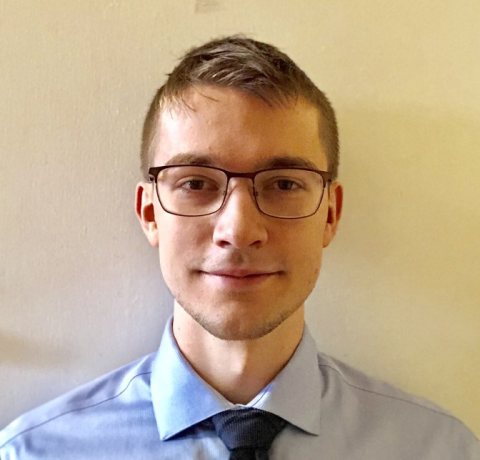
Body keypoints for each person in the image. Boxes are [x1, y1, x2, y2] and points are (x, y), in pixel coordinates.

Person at [0, 36, 478, 460]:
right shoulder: (36, 452)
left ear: (329, 214)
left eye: (285, 184)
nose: (239, 228)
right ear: (150, 213)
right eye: (196, 182)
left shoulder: (439, 450)